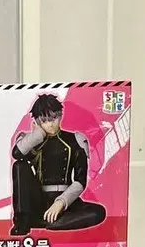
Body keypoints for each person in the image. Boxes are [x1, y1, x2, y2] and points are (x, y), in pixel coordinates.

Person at [10, 93, 106, 235]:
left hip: (66, 199)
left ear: (60, 115)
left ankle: (51, 222)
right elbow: (17, 154)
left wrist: (61, 202)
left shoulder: (75, 140)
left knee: (98, 212)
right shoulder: (32, 141)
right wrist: (37, 134)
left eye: (54, 118)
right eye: (44, 120)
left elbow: (80, 181)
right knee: (19, 166)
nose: (50, 124)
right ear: (37, 121)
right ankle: (23, 221)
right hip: (39, 200)